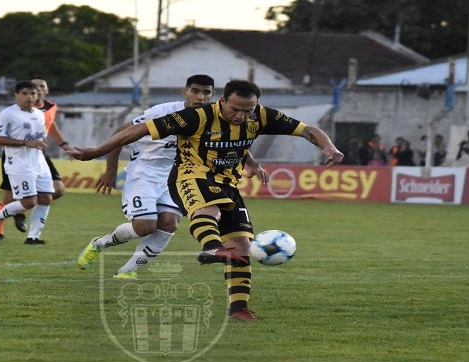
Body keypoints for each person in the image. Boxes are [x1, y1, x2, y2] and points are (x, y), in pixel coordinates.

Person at [69, 79, 344, 321]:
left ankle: (238, 308)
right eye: (234, 109)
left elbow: (309, 130)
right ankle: (211, 247)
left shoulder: (261, 116)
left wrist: (328, 146)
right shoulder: (195, 116)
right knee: (206, 210)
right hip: (190, 176)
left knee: (241, 247)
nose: (240, 116)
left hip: (229, 184)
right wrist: (97, 151)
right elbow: (139, 129)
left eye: (247, 111)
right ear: (222, 101)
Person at [76, 74, 216, 279]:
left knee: (170, 223)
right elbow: (121, 133)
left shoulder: (212, 119)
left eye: (206, 92)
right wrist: (110, 170)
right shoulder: (162, 112)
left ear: (212, 95)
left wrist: (253, 165)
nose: (200, 97)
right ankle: (100, 244)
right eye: (195, 91)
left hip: (176, 180)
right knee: (145, 227)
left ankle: (127, 272)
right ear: (185, 91)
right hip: (144, 176)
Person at [0, 77, 72, 238]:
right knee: (10, 197)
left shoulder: (50, 107)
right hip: (18, 155)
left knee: (57, 190)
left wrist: (63, 144)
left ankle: (25, 218)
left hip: (39, 153)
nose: (38, 90)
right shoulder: (16, 111)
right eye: (33, 88)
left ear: (46, 90)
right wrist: (25, 143)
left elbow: (51, 124)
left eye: (41, 87)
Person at [0, 80, 53, 245]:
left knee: (46, 198)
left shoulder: (40, 114)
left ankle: (33, 237)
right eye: (25, 93)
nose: (29, 97)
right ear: (16, 95)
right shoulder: (8, 114)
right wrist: (25, 143)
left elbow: (40, 138)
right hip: (19, 163)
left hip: (38, 162)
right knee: (28, 202)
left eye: (32, 93)